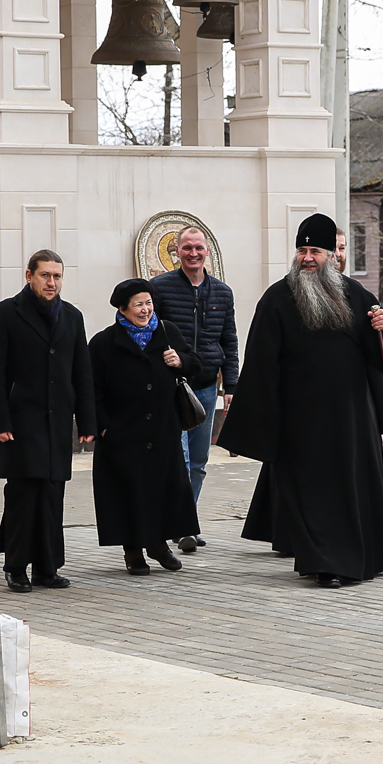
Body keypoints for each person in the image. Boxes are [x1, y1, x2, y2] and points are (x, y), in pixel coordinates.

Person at [219, 213, 383, 588]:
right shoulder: (277, 298)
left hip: (352, 416)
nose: (307, 258)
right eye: (302, 250)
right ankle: (326, 563)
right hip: (302, 418)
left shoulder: (357, 295)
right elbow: (260, 361)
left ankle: (368, 554)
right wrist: (260, 419)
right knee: (313, 491)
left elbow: (381, 355)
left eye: (314, 250)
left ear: (332, 255)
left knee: (354, 485)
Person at [0, 250, 97, 593]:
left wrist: (87, 421)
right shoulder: (3, 315)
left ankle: (48, 567)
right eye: (45, 275)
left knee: (51, 494)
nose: (51, 283)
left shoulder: (72, 317)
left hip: (57, 420)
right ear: (29, 275)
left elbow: (82, 372)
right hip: (19, 421)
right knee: (22, 494)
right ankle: (16, 566)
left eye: (57, 276)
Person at [90, 279, 203, 575]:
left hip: (163, 430)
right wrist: (103, 428)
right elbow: (92, 391)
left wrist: (180, 361)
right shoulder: (104, 343)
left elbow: (196, 364)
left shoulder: (167, 332)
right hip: (123, 433)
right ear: (123, 308)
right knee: (130, 492)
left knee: (163, 488)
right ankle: (133, 552)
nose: (145, 309)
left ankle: (158, 545)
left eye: (148, 302)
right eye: (139, 304)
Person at [148, 225, 239, 553]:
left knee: (199, 462)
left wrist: (231, 384)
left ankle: (187, 519)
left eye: (198, 247)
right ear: (177, 252)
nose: (193, 253)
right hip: (170, 388)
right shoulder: (159, 289)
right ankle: (179, 524)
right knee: (179, 459)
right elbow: (149, 334)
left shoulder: (223, 293)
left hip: (204, 388)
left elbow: (229, 339)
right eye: (187, 248)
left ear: (207, 251)